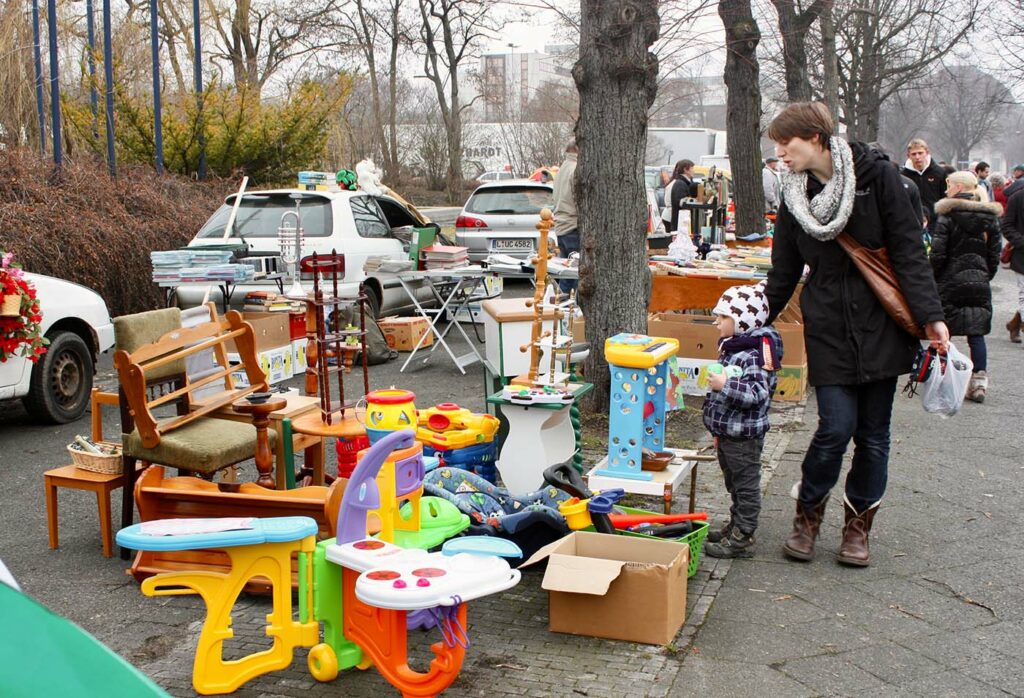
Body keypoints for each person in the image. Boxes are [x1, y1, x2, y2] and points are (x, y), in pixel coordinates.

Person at [764, 102, 948, 567]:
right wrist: (755, 320)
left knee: (873, 435)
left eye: (788, 143)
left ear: (817, 138)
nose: (781, 153)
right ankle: (807, 518)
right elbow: (784, 271)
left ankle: (857, 528)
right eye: (778, 145)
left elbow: (909, 253)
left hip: (881, 324)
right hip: (827, 325)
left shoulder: (880, 178)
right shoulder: (793, 193)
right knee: (834, 428)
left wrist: (932, 317)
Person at [701, 282, 783, 559]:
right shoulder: (735, 347)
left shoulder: (755, 354)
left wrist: (724, 385)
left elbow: (757, 394)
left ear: (743, 320)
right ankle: (736, 525)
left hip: (744, 436)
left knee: (745, 484)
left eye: (723, 317)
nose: (717, 322)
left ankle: (743, 536)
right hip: (729, 432)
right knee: (733, 483)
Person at [930, 171, 1002, 402]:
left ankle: (944, 379)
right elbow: (994, 255)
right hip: (979, 280)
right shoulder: (989, 218)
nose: (945, 189)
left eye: (949, 184)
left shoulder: (948, 217)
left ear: (959, 187)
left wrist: (934, 277)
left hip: (950, 280)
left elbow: (938, 254)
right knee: (976, 332)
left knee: (944, 331)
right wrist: (984, 275)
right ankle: (979, 381)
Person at [901, 138, 947, 231]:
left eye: (920, 153)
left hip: (935, 224)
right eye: (914, 154)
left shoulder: (940, 173)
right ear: (908, 156)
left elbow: (945, 198)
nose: (917, 157)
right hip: (911, 224)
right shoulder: (903, 176)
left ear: (927, 152)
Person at [551, 141, 579, 293]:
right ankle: (572, 312)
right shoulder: (576, 169)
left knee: (567, 275)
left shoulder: (563, 168)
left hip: (562, 227)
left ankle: (562, 309)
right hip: (573, 226)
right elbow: (578, 199)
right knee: (575, 276)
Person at [1001, 188, 1024, 344]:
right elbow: (1007, 225)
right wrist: (1021, 242)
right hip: (1022, 256)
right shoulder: (1017, 198)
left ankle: (1015, 324)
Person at [669, 159, 698, 235]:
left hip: (684, 224)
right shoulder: (680, 184)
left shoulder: (685, 182)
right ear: (686, 169)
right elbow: (681, 203)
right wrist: (695, 201)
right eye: (692, 168)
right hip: (681, 225)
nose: (694, 171)